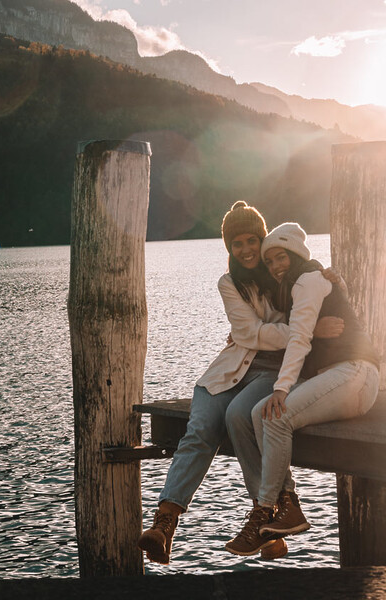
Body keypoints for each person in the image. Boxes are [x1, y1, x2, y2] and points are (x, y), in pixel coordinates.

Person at [137, 203, 343, 565]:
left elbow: (312, 295)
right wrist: (299, 331)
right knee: (199, 428)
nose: (247, 250)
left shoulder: (285, 268)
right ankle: (163, 526)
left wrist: (331, 284)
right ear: (228, 248)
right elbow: (248, 331)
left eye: (252, 240)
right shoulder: (229, 282)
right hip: (228, 370)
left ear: (264, 240)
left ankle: (266, 520)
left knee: (239, 415)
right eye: (237, 244)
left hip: (271, 370)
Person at [225, 222, 380, 556]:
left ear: (296, 255)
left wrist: (281, 389)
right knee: (258, 412)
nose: (277, 266)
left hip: (355, 374)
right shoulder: (298, 285)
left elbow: (298, 339)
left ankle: (268, 509)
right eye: (270, 262)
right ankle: (287, 504)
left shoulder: (309, 280)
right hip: (335, 378)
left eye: (282, 258)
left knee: (277, 415)